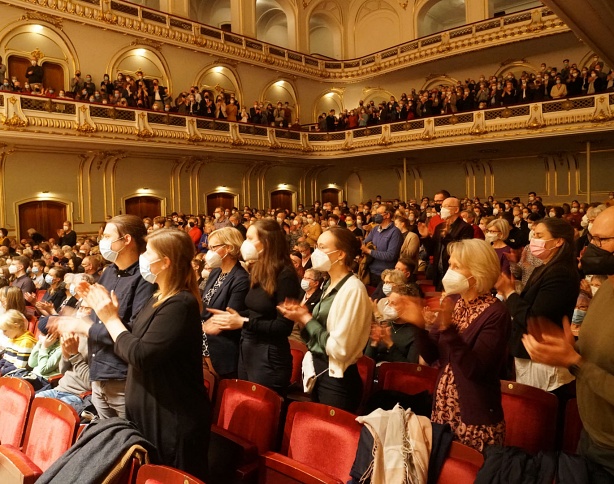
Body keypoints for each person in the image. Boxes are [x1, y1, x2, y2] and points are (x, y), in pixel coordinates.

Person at [80, 229, 209, 479]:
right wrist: (108, 317)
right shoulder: (158, 297)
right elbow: (132, 342)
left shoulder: (180, 304)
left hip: (171, 418)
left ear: (165, 262)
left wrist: (110, 319)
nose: (143, 256)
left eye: (148, 252)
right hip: (148, 412)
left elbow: (140, 355)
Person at [522, 206, 614, 477]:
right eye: (591, 238)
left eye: (602, 241)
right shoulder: (607, 285)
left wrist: (575, 361)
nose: (590, 249)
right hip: (593, 436)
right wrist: (569, 349)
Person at [395, 239, 511, 452]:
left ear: (477, 272)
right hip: (443, 408)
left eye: (456, 266)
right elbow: (433, 357)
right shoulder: (456, 304)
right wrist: (418, 326)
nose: (449, 272)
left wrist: (448, 329)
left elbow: (476, 369)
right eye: (450, 265)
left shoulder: (496, 313)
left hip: (475, 418)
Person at [56, 215, 155, 419]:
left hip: (123, 378)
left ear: (126, 240)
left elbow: (132, 332)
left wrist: (85, 327)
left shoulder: (145, 278)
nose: (103, 241)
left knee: (129, 441)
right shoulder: (109, 272)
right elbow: (102, 317)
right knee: (108, 443)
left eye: (108, 236)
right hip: (98, 372)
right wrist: (83, 308)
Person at [279, 227, 372, 412]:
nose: (316, 253)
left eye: (322, 247)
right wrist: (302, 317)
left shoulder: (353, 289)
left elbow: (339, 349)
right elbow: (316, 336)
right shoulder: (329, 283)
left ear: (339, 254)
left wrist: (307, 318)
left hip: (338, 379)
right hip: (321, 369)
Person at [208, 219, 300, 395]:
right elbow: (256, 312)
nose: (245, 244)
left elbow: (282, 326)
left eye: (250, 238)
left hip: (268, 355)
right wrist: (229, 318)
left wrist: (242, 322)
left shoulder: (285, 274)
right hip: (248, 348)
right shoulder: (259, 269)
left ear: (267, 241)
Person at [496, 217, 579, 393]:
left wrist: (509, 293)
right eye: (533, 234)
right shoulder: (543, 267)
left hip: (544, 358)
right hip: (531, 353)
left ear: (558, 241)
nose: (533, 239)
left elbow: (534, 319)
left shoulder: (560, 273)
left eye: (540, 235)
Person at [201, 227, 249, 380]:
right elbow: (205, 304)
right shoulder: (216, 271)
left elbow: (230, 314)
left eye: (213, 247)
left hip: (221, 346)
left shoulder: (240, 278)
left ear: (228, 248)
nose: (210, 251)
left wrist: (208, 323)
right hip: (202, 341)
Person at [419, 197, 474, 290]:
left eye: (446, 206)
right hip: (439, 271)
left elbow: (460, 251)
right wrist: (426, 237)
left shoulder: (465, 228)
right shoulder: (439, 227)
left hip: (454, 272)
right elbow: (432, 251)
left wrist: (447, 236)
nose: (442, 209)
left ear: (456, 209)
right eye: (442, 206)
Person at [366, 283, 421, 364]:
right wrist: (374, 343)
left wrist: (390, 345)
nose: (388, 306)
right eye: (388, 302)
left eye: (393, 303)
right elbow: (366, 363)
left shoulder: (416, 334)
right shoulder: (384, 325)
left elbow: (409, 370)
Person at [361, 204, 403, 287]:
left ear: (387, 215)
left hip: (386, 275)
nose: (376, 216)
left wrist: (369, 251)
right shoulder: (375, 229)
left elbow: (391, 255)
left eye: (379, 214)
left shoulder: (395, 232)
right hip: (371, 271)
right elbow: (365, 243)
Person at [0, 309, 37, 375]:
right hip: (7, 369)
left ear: (15, 326)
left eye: (5, 330)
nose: (3, 333)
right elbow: (5, 359)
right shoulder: (12, 338)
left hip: (16, 373)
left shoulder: (26, 342)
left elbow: (20, 366)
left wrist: (1, 372)